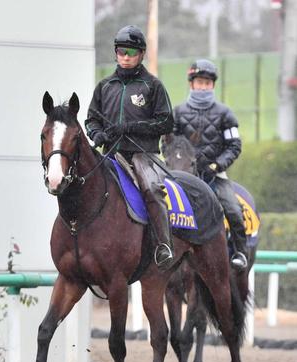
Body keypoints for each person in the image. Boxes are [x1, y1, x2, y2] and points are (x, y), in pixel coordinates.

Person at [85, 25, 174, 270]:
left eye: (131, 52)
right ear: (116, 53)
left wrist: (131, 127)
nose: (125, 57)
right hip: (110, 154)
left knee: (151, 189)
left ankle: (163, 245)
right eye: (121, 51)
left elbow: (166, 121)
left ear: (141, 54)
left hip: (142, 155)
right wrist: (97, 133)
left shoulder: (152, 86)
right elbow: (91, 119)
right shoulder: (104, 86)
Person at [174, 59, 248, 270]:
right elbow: (169, 143)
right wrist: (183, 164)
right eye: (199, 82)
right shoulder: (178, 113)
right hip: (184, 176)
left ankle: (240, 253)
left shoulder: (225, 114)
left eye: (207, 82)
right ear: (191, 84)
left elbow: (234, 145)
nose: (203, 86)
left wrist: (217, 165)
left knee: (233, 211)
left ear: (213, 85)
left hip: (215, 175)